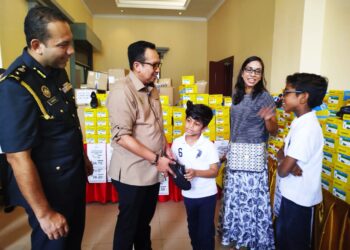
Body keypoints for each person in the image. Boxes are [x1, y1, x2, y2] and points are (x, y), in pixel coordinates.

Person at [0, 6, 93, 249]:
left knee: (73, 242)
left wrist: (81, 155)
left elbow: (68, 122)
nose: (71, 51)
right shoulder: (16, 86)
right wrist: (44, 213)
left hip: (72, 178)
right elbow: (17, 157)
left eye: (70, 42)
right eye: (63, 45)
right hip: (48, 191)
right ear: (36, 45)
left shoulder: (57, 71)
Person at [106, 40, 174, 250]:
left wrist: (166, 146)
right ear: (137, 66)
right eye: (153, 65)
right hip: (132, 173)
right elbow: (122, 137)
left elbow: (156, 123)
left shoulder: (152, 89)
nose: (157, 69)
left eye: (158, 64)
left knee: (144, 222)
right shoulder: (122, 91)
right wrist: (156, 159)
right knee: (129, 225)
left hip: (152, 169)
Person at [218, 56, 278, 249]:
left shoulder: (264, 97)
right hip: (235, 151)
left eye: (257, 71)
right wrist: (229, 148)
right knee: (235, 197)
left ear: (261, 75)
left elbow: (274, 130)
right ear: (242, 71)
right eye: (249, 69)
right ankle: (235, 234)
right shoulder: (237, 93)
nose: (252, 74)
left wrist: (269, 118)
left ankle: (251, 238)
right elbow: (234, 124)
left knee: (251, 199)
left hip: (253, 153)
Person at [276, 73, 328, 250]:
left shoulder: (308, 129)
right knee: (283, 239)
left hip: (300, 200)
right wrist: (288, 164)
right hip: (290, 194)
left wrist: (285, 165)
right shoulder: (299, 123)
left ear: (303, 97)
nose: (282, 97)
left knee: (294, 243)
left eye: (287, 92)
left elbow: (282, 170)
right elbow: (280, 152)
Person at [171, 100, 219, 250]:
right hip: (189, 195)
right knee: (193, 227)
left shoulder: (208, 146)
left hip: (207, 195)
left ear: (204, 128)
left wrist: (196, 172)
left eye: (196, 124)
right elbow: (174, 165)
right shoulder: (177, 143)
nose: (190, 126)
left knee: (205, 231)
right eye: (189, 121)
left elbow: (214, 171)